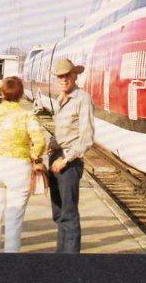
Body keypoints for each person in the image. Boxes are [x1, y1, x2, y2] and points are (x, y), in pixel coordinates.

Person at [0, 76, 46, 253]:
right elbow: (40, 141)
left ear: (2, 92)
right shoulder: (26, 114)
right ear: (21, 94)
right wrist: (34, 156)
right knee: (13, 224)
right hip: (19, 169)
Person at [48, 58, 94, 253]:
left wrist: (64, 159)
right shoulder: (61, 99)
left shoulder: (82, 99)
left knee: (69, 215)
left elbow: (86, 138)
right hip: (56, 158)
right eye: (60, 76)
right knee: (59, 214)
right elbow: (64, 130)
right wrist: (52, 145)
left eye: (67, 75)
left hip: (69, 163)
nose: (64, 79)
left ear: (75, 76)